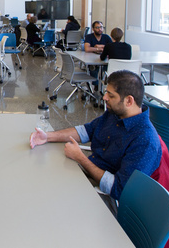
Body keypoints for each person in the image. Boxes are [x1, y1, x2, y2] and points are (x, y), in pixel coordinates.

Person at [29, 70, 161, 201]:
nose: (104, 98)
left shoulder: (145, 140)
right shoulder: (115, 113)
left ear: (129, 101)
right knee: (41, 180)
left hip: (106, 197)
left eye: (111, 95)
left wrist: (81, 158)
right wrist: (48, 136)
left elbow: (119, 189)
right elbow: (87, 131)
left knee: (48, 196)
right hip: (89, 175)